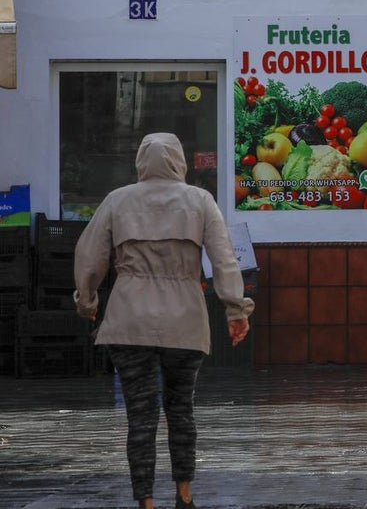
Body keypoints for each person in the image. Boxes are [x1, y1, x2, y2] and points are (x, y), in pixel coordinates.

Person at [74, 133, 254, 509]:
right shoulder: (200, 200)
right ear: (180, 161)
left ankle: (146, 501)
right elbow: (224, 260)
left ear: (141, 162)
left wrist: (87, 300)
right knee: (180, 409)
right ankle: (185, 495)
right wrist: (235, 310)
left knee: (140, 415)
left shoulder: (117, 200)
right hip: (184, 321)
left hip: (129, 320)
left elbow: (90, 255)